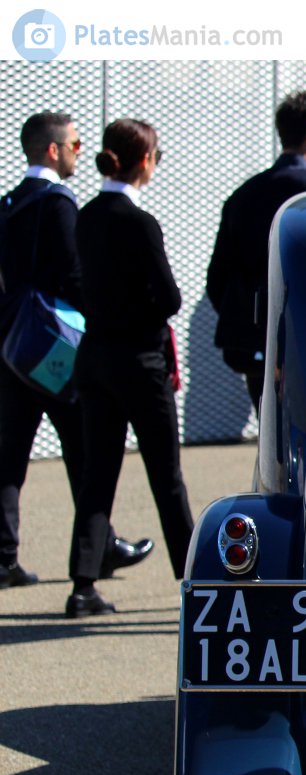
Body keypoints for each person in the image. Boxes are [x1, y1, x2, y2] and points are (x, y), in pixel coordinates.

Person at [0, 111, 151, 590]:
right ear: (53, 150)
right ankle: (99, 548)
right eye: (75, 145)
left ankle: (3, 557)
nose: (79, 154)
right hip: (59, 350)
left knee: (10, 455)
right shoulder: (60, 202)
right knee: (86, 453)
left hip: (15, 348)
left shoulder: (8, 203)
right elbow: (74, 274)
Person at [66, 119, 191, 617]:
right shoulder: (140, 223)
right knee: (166, 475)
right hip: (139, 361)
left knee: (97, 474)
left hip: (95, 356)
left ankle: (83, 585)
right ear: (144, 161)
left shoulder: (86, 216)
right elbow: (170, 298)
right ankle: (192, 578)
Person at [206, 91, 306, 412]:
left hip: (257, 351)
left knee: (269, 432)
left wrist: (256, 328)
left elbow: (217, 281)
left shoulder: (243, 196)